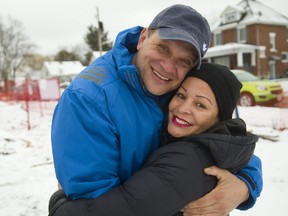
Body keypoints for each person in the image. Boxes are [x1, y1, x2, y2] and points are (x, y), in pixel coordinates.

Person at [50, 4, 263, 215]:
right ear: (143, 38)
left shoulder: (178, 89)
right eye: (163, 47)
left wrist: (245, 185)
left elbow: (225, 143)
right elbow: (94, 206)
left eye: (184, 60)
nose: (169, 67)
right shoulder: (89, 99)